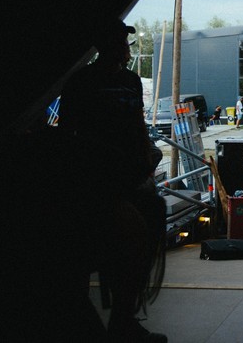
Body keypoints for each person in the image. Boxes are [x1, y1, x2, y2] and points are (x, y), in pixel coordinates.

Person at [58, 18, 167, 342]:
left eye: (126, 43)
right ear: (104, 46)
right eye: (119, 42)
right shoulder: (81, 82)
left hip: (128, 176)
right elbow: (68, 134)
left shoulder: (132, 81)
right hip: (93, 180)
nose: (124, 48)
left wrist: (146, 157)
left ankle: (124, 314)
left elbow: (136, 125)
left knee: (151, 218)